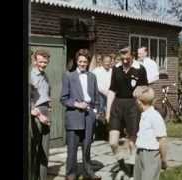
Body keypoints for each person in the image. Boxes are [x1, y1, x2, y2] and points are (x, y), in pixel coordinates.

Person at [105, 47, 148, 175]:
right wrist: (108, 111)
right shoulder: (116, 69)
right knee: (113, 142)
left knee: (132, 141)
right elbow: (112, 90)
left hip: (133, 105)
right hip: (117, 105)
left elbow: (145, 90)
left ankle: (132, 169)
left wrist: (144, 108)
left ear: (132, 56)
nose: (124, 61)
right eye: (122, 58)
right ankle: (122, 164)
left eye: (127, 58)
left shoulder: (140, 69)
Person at [60, 49, 101, 180]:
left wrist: (95, 112)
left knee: (87, 146)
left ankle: (88, 172)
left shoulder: (92, 76)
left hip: (89, 115)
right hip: (74, 115)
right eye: (80, 61)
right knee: (72, 148)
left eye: (85, 61)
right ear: (76, 62)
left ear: (88, 62)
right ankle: (71, 174)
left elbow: (96, 97)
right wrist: (77, 104)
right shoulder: (69, 76)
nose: (83, 64)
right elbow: (63, 98)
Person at [132, 86, 168, 180]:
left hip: (151, 154)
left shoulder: (155, 116)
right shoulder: (144, 115)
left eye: (135, 100)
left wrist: (163, 159)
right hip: (140, 152)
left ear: (139, 102)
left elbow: (162, 139)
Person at [30, 49, 51, 180]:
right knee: (34, 149)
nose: (43, 64)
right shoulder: (30, 76)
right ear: (34, 61)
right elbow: (29, 99)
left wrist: (49, 104)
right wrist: (39, 115)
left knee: (45, 148)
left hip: (45, 111)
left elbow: (47, 92)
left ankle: (42, 178)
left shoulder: (45, 75)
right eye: (41, 62)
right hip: (35, 114)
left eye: (45, 62)